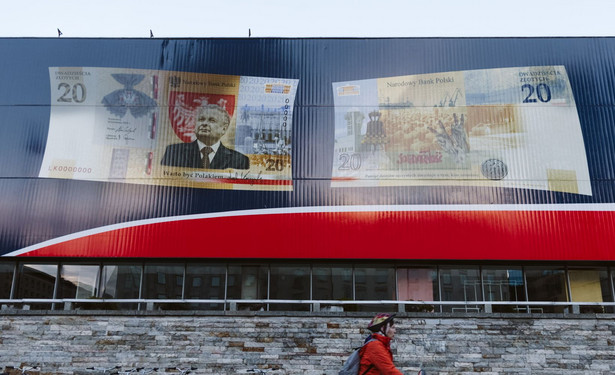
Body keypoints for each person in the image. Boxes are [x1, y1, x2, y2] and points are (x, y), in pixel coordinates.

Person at [161, 104, 250, 170]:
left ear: (224, 128)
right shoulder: (174, 152)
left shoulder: (240, 160)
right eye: (201, 119)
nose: (204, 124)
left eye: (212, 120)